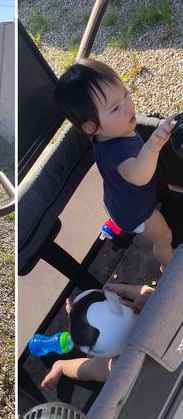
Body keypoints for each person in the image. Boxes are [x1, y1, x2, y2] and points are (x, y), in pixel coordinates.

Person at [55, 58, 178, 270]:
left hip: (118, 197)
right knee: (164, 237)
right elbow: (139, 175)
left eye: (126, 94)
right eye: (115, 108)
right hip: (136, 211)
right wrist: (154, 145)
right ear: (91, 127)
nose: (128, 107)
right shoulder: (117, 152)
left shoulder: (110, 132)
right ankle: (168, 266)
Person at [41, 283, 155, 389]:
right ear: (123, 303)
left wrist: (74, 318)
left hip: (122, 357)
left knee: (89, 369)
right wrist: (126, 289)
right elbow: (146, 291)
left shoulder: (118, 365)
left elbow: (86, 372)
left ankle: (61, 366)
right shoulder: (151, 304)